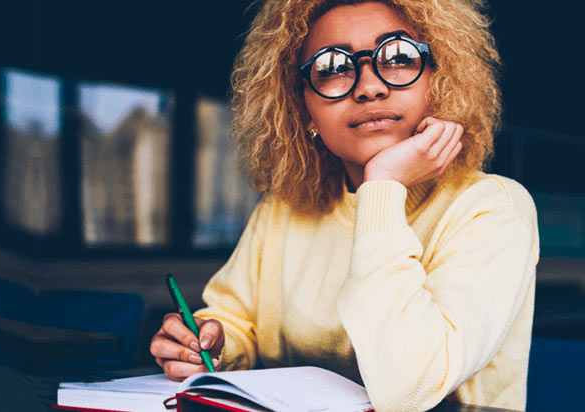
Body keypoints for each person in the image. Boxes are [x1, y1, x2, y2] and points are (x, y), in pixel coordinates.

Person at [150, 1, 540, 410]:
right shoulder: (284, 208)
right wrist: (211, 345)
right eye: (332, 68)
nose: (369, 87)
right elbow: (236, 320)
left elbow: (411, 385)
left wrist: (383, 183)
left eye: (400, 57)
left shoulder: (492, 206)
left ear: (438, 84)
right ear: (304, 110)